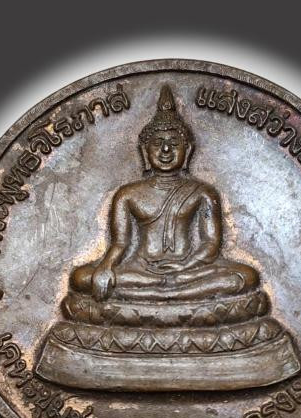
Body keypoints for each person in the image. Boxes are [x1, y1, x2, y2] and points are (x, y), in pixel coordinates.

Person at [71, 85, 260, 302]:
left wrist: (184, 266)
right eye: (158, 143)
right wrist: (105, 266)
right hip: (141, 269)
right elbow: (120, 244)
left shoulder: (203, 193)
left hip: (189, 269)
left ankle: (157, 294)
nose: (166, 150)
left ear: (188, 150)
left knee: (246, 277)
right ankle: (175, 296)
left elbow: (210, 244)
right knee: (81, 278)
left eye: (174, 143)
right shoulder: (128, 194)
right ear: (145, 151)